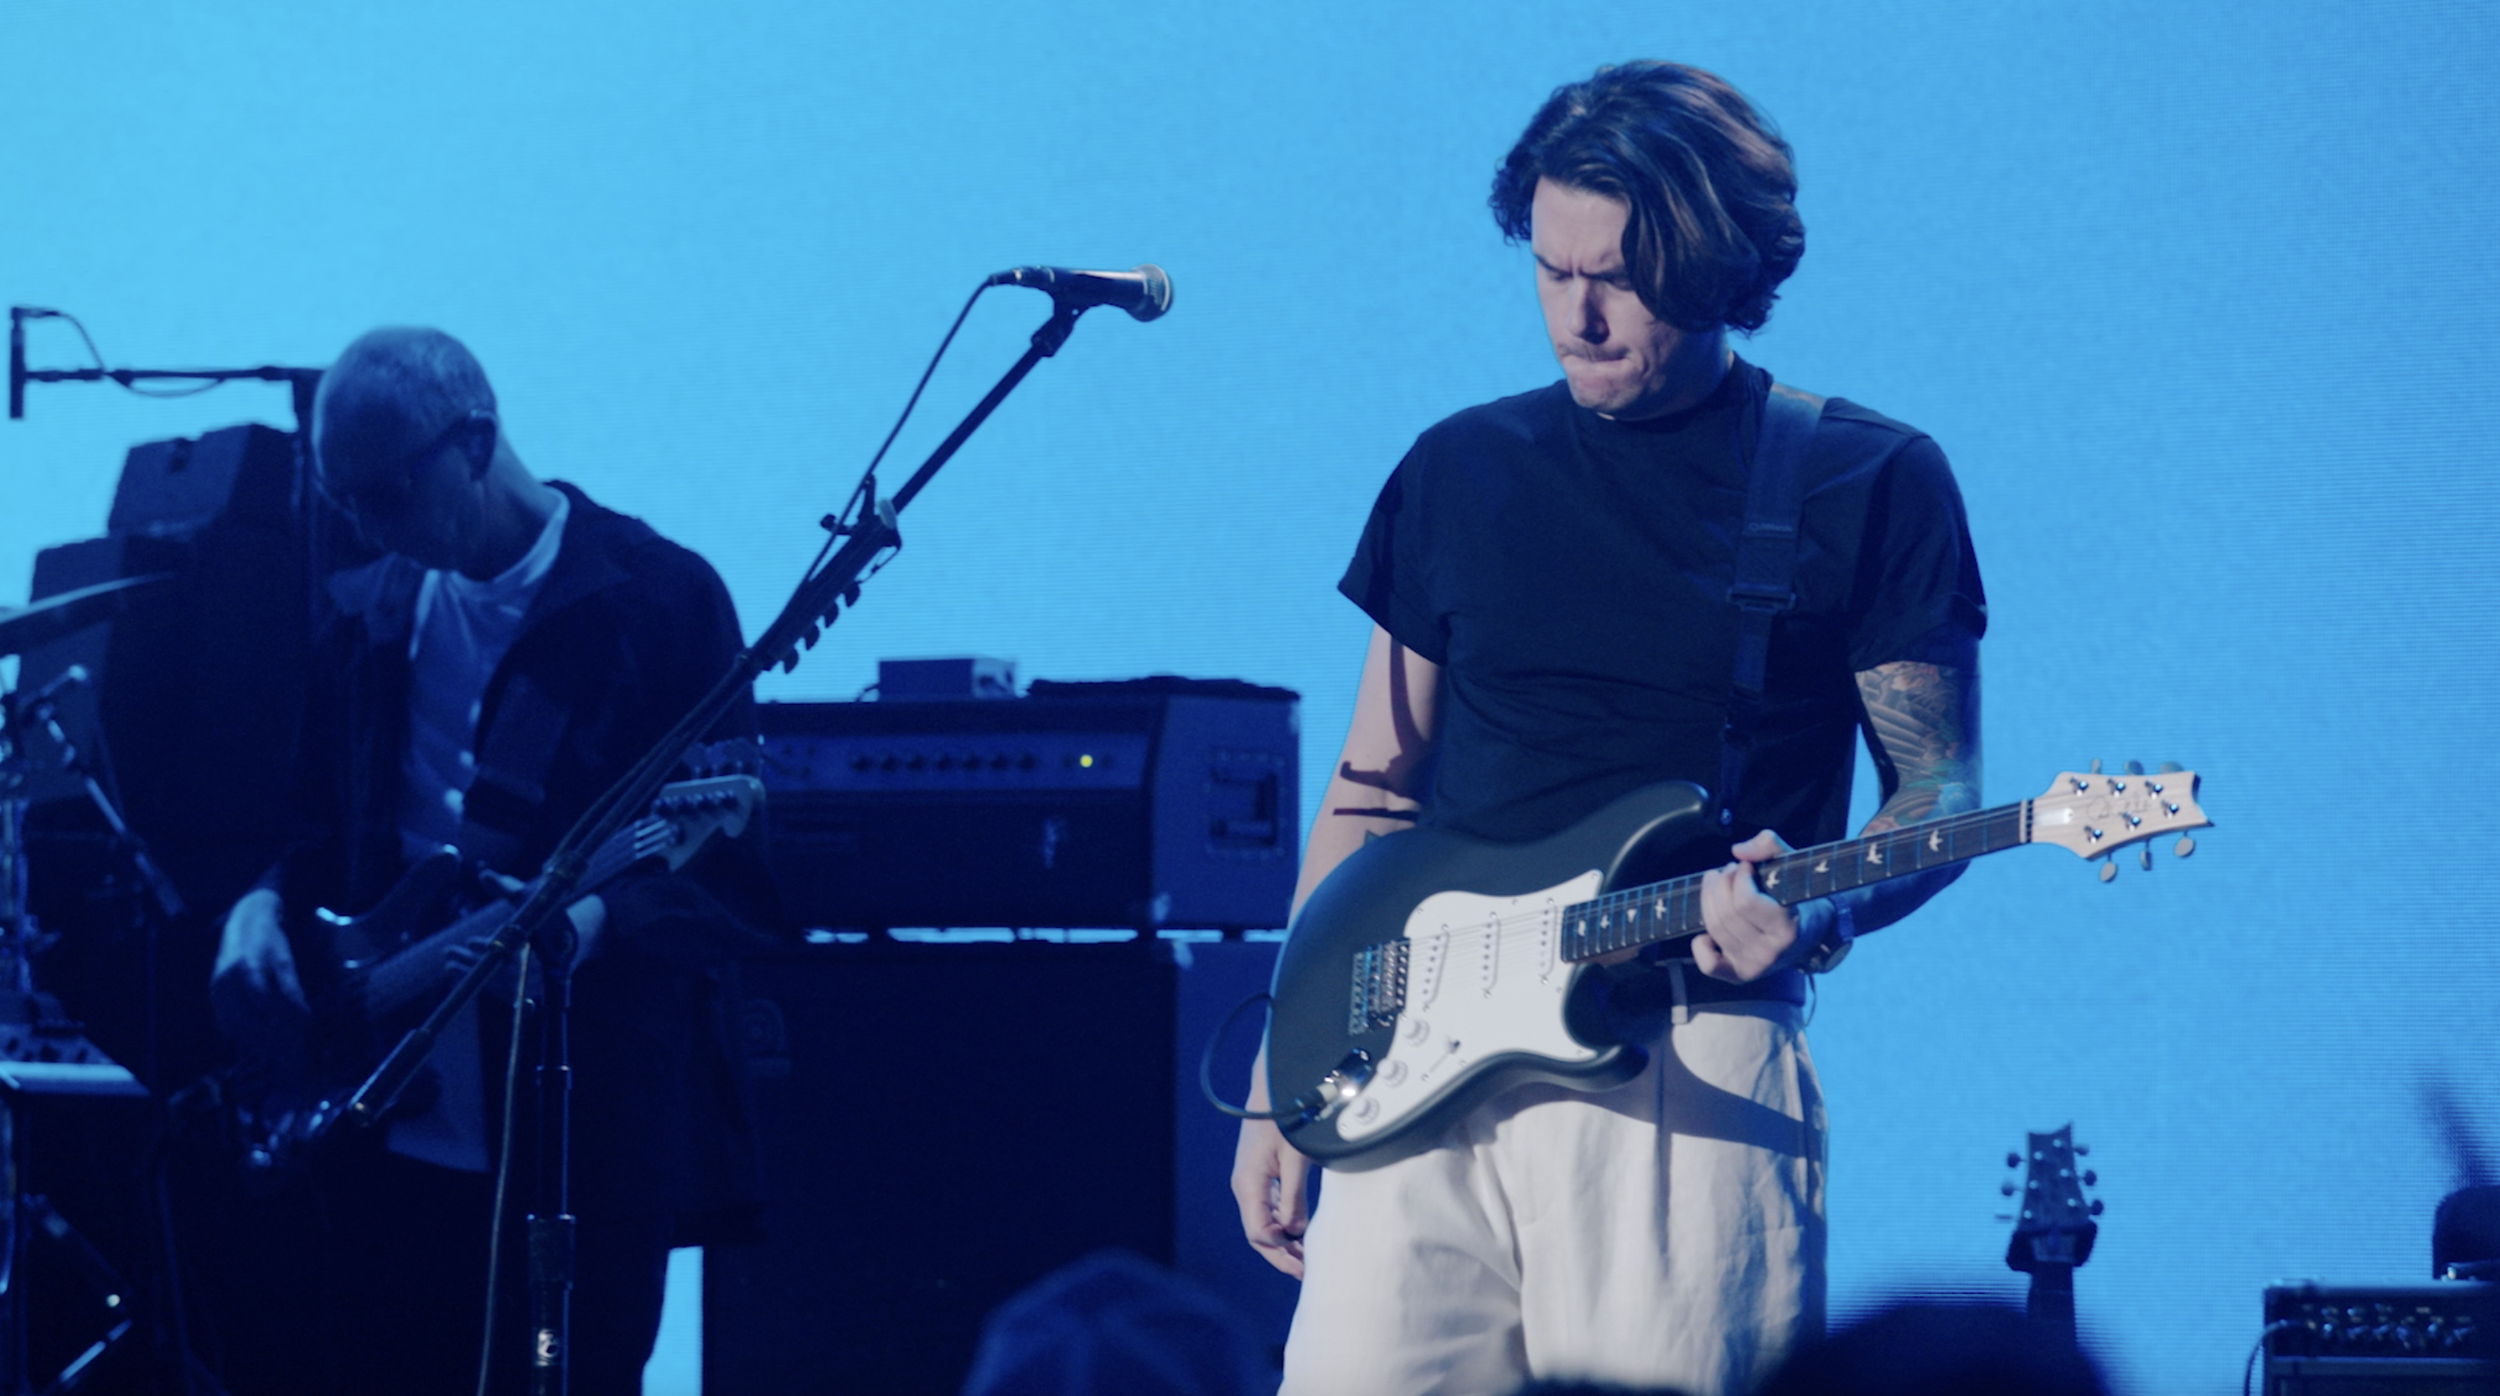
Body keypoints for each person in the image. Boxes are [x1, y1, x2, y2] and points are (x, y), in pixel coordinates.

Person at [1231, 63, 1987, 1396]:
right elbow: (1372, 791)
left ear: (1716, 267)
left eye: (1618, 280)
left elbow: (1938, 793)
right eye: (1550, 269)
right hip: (1414, 1063)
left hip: (1685, 1057)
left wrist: (1820, 909)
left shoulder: (1865, 477)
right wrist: (1280, 1077)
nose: (1575, 317)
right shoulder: (1458, 467)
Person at [208, 327, 776, 1393]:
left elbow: (733, 881)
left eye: (386, 494)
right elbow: (315, 838)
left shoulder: (657, 600)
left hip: (580, 1134)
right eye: (344, 504)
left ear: (474, 441)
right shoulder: (369, 613)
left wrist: (585, 927)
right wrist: (256, 907)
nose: (368, 528)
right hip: (387, 1126)